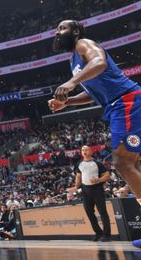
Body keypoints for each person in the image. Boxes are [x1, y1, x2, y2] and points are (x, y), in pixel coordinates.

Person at [48, 20, 141, 246]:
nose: (57, 32)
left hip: (126, 101)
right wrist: (67, 102)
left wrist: (70, 83)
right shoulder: (74, 61)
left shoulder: (84, 44)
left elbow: (99, 62)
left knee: (122, 162)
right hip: (117, 105)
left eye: (62, 28)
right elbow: (92, 92)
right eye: (57, 29)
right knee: (133, 165)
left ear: (76, 31)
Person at [71, 145, 112, 241]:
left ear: (91, 151)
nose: (84, 151)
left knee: (103, 212)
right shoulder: (79, 163)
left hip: (97, 189)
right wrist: (76, 187)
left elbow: (107, 176)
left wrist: (98, 180)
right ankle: (98, 233)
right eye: (82, 150)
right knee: (89, 213)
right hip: (85, 191)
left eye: (86, 150)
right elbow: (78, 176)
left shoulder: (97, 163)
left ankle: (107, 235)